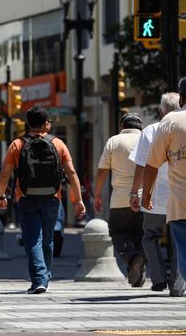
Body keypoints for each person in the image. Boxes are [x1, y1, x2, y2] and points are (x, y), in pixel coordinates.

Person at [0, 106, 85, 294]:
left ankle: (39, 279)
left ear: (28, 123)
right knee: (47, 239)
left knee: (33, 239)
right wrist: (78, 200)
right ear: (46, 124)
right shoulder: (58, 144)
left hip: (26, 197)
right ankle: (44, 276)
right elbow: (71, 172)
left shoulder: (17, 144)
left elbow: (5, 174)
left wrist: (1, 196)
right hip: (52, 198)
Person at [130, 92, 185, 296]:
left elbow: (143, 166)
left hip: (155, 197)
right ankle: (178, 286)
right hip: (178, 196)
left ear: (161, 111)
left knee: (149, 236)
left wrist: (136, 192)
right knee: (180, 240)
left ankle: (159, 278)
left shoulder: (151, 130)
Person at [144, 77, 186, 291]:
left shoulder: (169, 122)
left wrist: (144, 196)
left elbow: (151, 164)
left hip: (180, 205)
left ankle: (177, 285)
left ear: (182, 98)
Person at [94, 113, 145, 287]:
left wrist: (97, 194)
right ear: (141, 126)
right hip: (145, 198)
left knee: (119, 232)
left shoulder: (113, 141)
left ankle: (131, 258)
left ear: (122, 125)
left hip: (120, 199)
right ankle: (139, 274)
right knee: (142, 235)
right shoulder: (147, 139)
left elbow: (102, 171)